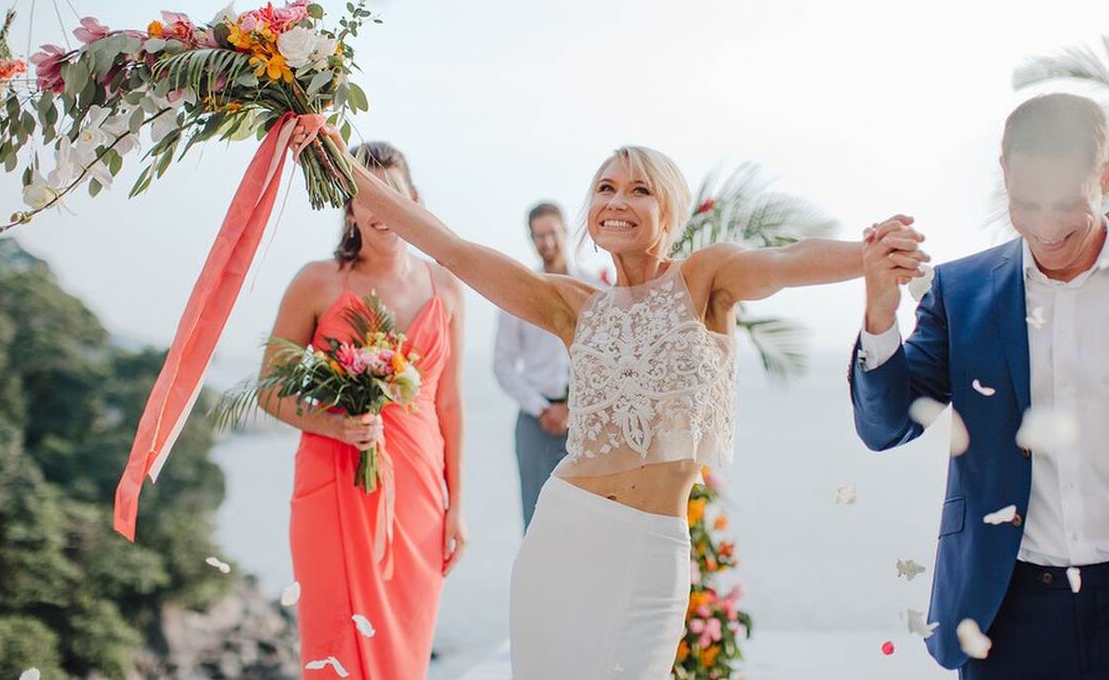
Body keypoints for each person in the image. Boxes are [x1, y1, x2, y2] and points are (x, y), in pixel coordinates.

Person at [293, 127, 923, 679]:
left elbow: (783, 261)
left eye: (640, 190)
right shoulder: (573, 304)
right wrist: (333, 161)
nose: (618, 201)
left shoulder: (706, 278)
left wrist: (865, 258)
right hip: (563, 534)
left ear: (670, 212)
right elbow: (452, 249)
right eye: (605, 188)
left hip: (652, 545)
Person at [851, 93, 1109, 679]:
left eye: (1066, 204)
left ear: (1106, 177)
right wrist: (880, 314)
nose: (1046, 227)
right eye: (1027, 204)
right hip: (1007, 615)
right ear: (1004, 175)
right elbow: (884, 427)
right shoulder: (963, 292)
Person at [258, 142, 468, 679]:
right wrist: (335, 423)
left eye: (392, 193)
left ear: (414, 198)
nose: (382, 209)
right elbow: (269, 389)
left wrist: (457, 507)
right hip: (332, 482)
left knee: (406, 647)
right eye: (366, 196)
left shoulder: (446, 287)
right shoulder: (315, 281)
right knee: (333, 642)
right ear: (348, 207)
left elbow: (448, 402)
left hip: (418, 492)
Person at [493, 201, 595, 530]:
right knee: (536, 520)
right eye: (538, 237)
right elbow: (503, 364)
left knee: (587, 518)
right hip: (535, 423)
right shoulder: (518, 293)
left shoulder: (595, 289)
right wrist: (540, 408)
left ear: (565, 231)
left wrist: (575, 409)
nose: (546, 243)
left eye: (551, 233)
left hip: (587, 422)